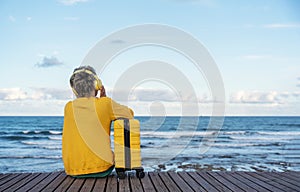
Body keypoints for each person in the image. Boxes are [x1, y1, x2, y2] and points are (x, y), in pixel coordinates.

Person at [62, 65, 134, 178]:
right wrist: (105, 99)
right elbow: (129, 114)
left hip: (72, 171)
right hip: (102, 169)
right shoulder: (105, 104)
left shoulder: (68, 107)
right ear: (97, 85)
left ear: (74, 89)